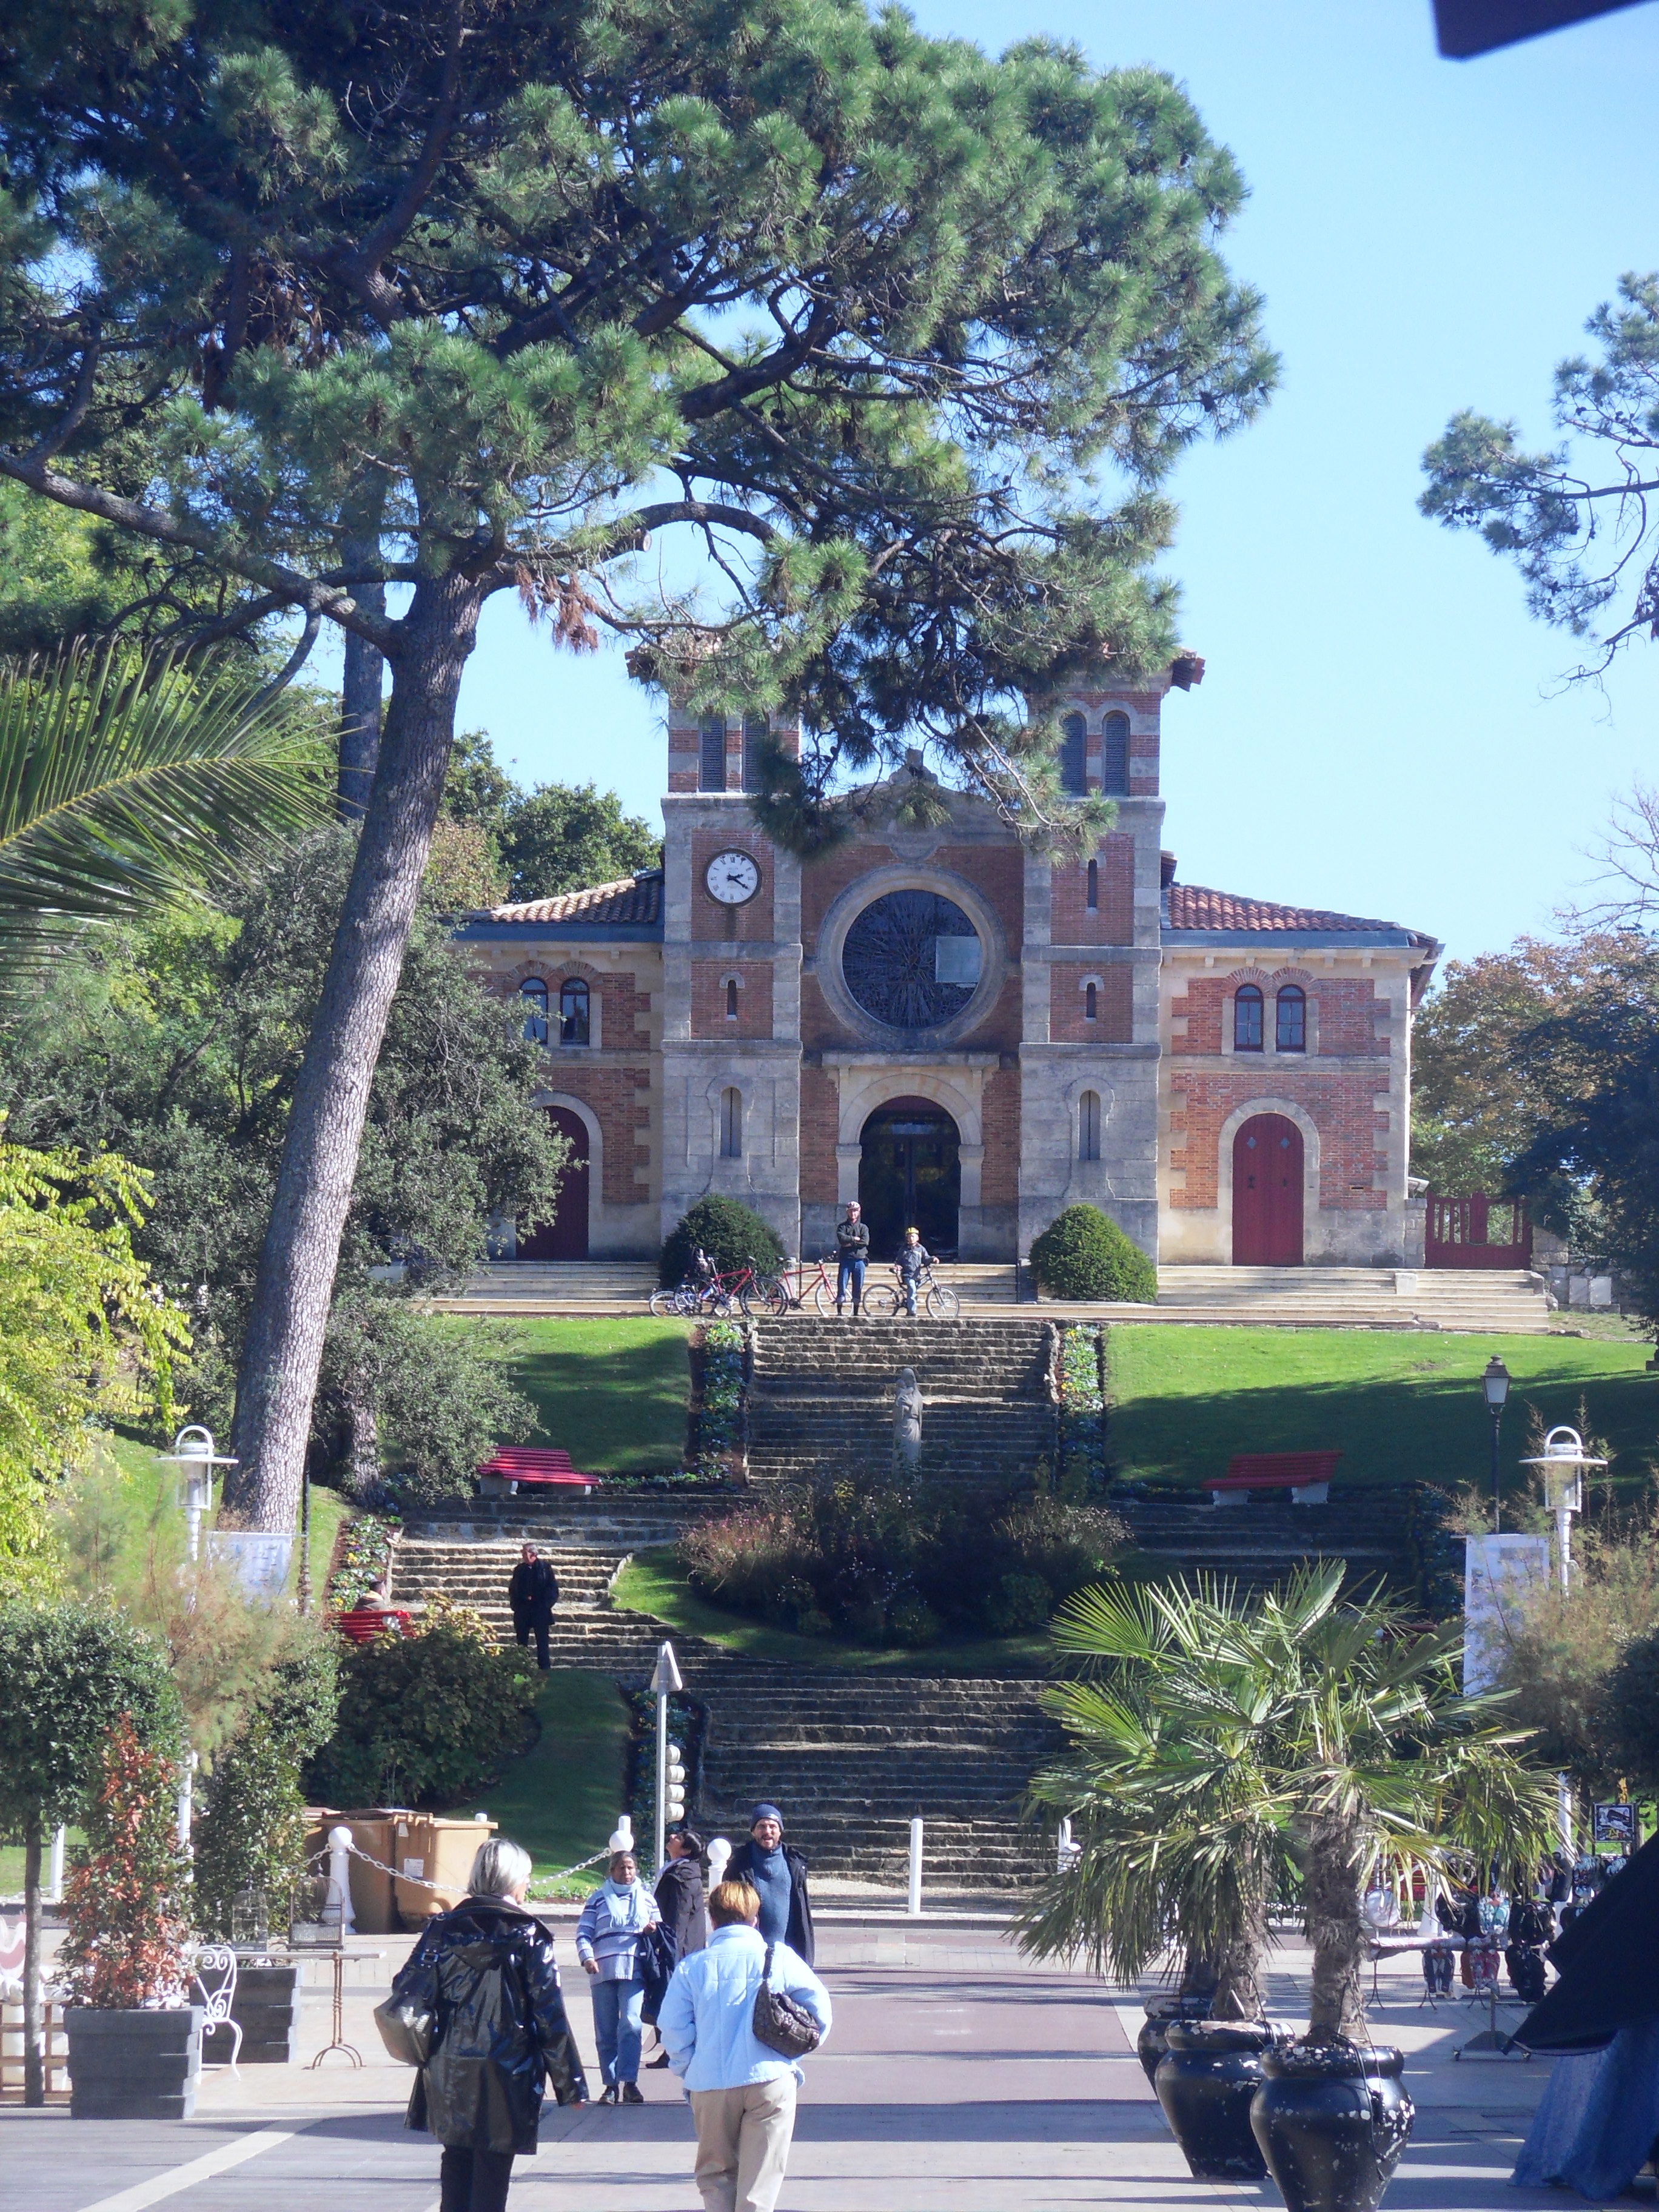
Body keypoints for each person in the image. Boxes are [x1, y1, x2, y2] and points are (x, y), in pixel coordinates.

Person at [401, 1837, 588, 2212]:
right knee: (493, 2170)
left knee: (456, 2162)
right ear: (511, 1880)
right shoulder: (529, 1935)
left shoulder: (441, 1929)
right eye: (526, 1877)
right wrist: (570, 2085)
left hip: (449, 2065)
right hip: (509, 2069)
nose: (528, 1886)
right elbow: (548, 2014)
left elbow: (407, 1989)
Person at [657, 1877, 832, 2212]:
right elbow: (819, 2010)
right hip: (769, 2079)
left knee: (716, 2176)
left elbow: (673, 2027)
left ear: (713, 1919)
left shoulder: (692, 1967)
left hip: (710, 2083)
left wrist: (689, 2067)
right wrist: (794, 2051)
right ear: (755, 1918)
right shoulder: (777, 1956)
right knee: (759, 2185)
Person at [575, 1845, 660, 2103]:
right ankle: (610, 2085)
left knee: (632, 2025)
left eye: (631, 1867)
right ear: (611, 1871)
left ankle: (630, 2082)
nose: (627, 1872)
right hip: (602, 1971)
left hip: (634, 1970)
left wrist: (651, 1930)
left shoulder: (646, 1899)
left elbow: (661, 1934)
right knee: (606, 2030)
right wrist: (587, 1957)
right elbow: (583, 1933)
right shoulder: (598, 1899)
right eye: (621, 1867)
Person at [645, 1826, 709, 2068]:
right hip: (679, 1946)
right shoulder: (679, 1871)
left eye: (678, 1838)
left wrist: (667, 1947)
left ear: (686, 1849)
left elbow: (679, 1917)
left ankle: (675, 2049)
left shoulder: (682, 1876)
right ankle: (671, 2048)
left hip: (678, 1948)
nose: (672, 1837)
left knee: (674, 1999)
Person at [723, 1805, 814, 1967]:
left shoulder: (795, 1863)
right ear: (753, 1831)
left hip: (789, 1955)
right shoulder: (739, 1865)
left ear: (780, 1831)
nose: (768, 1831)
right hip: (751, 1955)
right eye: (762, 1826)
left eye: (773, 1826)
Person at [507, 1543, 558, 1672]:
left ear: (534, 1554)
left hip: (540, 1611)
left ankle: (544, 1669)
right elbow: (513, 1589)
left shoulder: (545, 1569)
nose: (523, 1556)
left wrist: (544, 1605)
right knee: (522, 1643)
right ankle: (522, 1668)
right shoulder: (519, 1569)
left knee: (542, 1643)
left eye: (525, 1553)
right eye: (522, 1553)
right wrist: (517, 1605)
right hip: (523, 1611)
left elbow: (552, 1590)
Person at [834, 1201, 869, 1316]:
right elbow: (841, 1239)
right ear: (847, 1212)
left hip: (860, 1260)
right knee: (842, 1285)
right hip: (846, 1259)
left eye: (855, 1211)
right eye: (851, 1211)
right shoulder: (842, 1227)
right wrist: (855, 1239)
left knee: (858, 1286)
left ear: (859, 1212)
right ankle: (839, 1311)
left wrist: (850, 1242)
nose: (853, 1213)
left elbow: (865, 1242)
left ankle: (856, 1313)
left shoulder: (863, 1228)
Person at [896, 1225, 933, 1316]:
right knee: (912, 1288)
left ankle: (909, 1309)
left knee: (913, 1292)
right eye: (909, 1236)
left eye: (913, 1236)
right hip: (907, 1275)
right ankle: (913, 1312)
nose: (911, 1238)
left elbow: (926, 1258)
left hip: (917, 1275)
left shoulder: (921, 1249)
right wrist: (897, 1267)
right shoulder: (903, 1249)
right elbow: (898, 1261)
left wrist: (933, 1259)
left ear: (917, 1238)